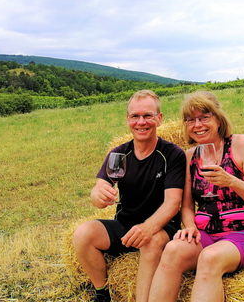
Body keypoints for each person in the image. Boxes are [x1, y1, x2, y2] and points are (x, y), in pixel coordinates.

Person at [148, 91, 244, 302]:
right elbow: (187, 205)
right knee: (171, 251)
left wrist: (231, 181)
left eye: (204, 117)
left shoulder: (241, 145)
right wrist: (189, 227)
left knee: (210, 257)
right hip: (206, 233)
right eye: (190, 120)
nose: (197, 125)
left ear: (218, 118)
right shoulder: (189, 157)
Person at [73, 90, 186, 302]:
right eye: (135, 116)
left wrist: (148, 228)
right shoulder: (118, 154)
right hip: (125, 225)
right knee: (82, 234)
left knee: (150, 243)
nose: (141, 122)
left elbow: (173, 203)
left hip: (161, 227)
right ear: (127, 120)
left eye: (147, 116)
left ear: (159, 119)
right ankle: (102, 293)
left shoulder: (172, 154)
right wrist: (98, 195)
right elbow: (98, 192)